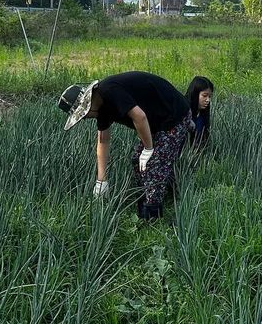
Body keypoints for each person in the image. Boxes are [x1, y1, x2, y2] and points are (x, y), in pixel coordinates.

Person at [59, 71, 193, 219]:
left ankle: (153, 218)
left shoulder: (109, 91)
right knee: (137, 160)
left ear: (88, 103)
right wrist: (101, 180)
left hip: (174, 115)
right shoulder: (101, 108)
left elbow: (139, 116)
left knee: (154, 163)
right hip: (156, 122)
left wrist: (148, 149)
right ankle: (159, 199)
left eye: (83, 115)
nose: (85, 118)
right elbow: (103, 140)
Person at [185, 76, 214, 150]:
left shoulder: (202, 115)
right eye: (204, 96)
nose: (208, 100)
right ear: (195, 94)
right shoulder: (183, 112)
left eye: (209, 97)